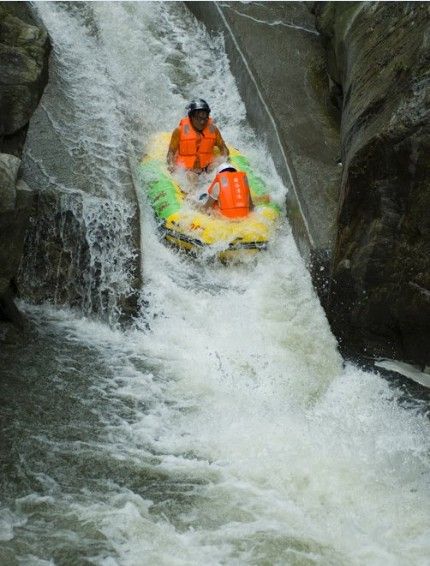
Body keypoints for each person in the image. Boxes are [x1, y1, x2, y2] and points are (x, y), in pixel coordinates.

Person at [167, 98, 229, 174]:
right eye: (199, 118)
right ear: (191, 117)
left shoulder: (213, 130)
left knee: (217, 166)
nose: (202, 122)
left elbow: (223, 148)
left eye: (205, 118)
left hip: (207, 167)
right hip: (188, 170)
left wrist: (223, 160)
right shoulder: (179, 131)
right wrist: (171, 165)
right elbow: (171, 152)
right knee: (192, 177)